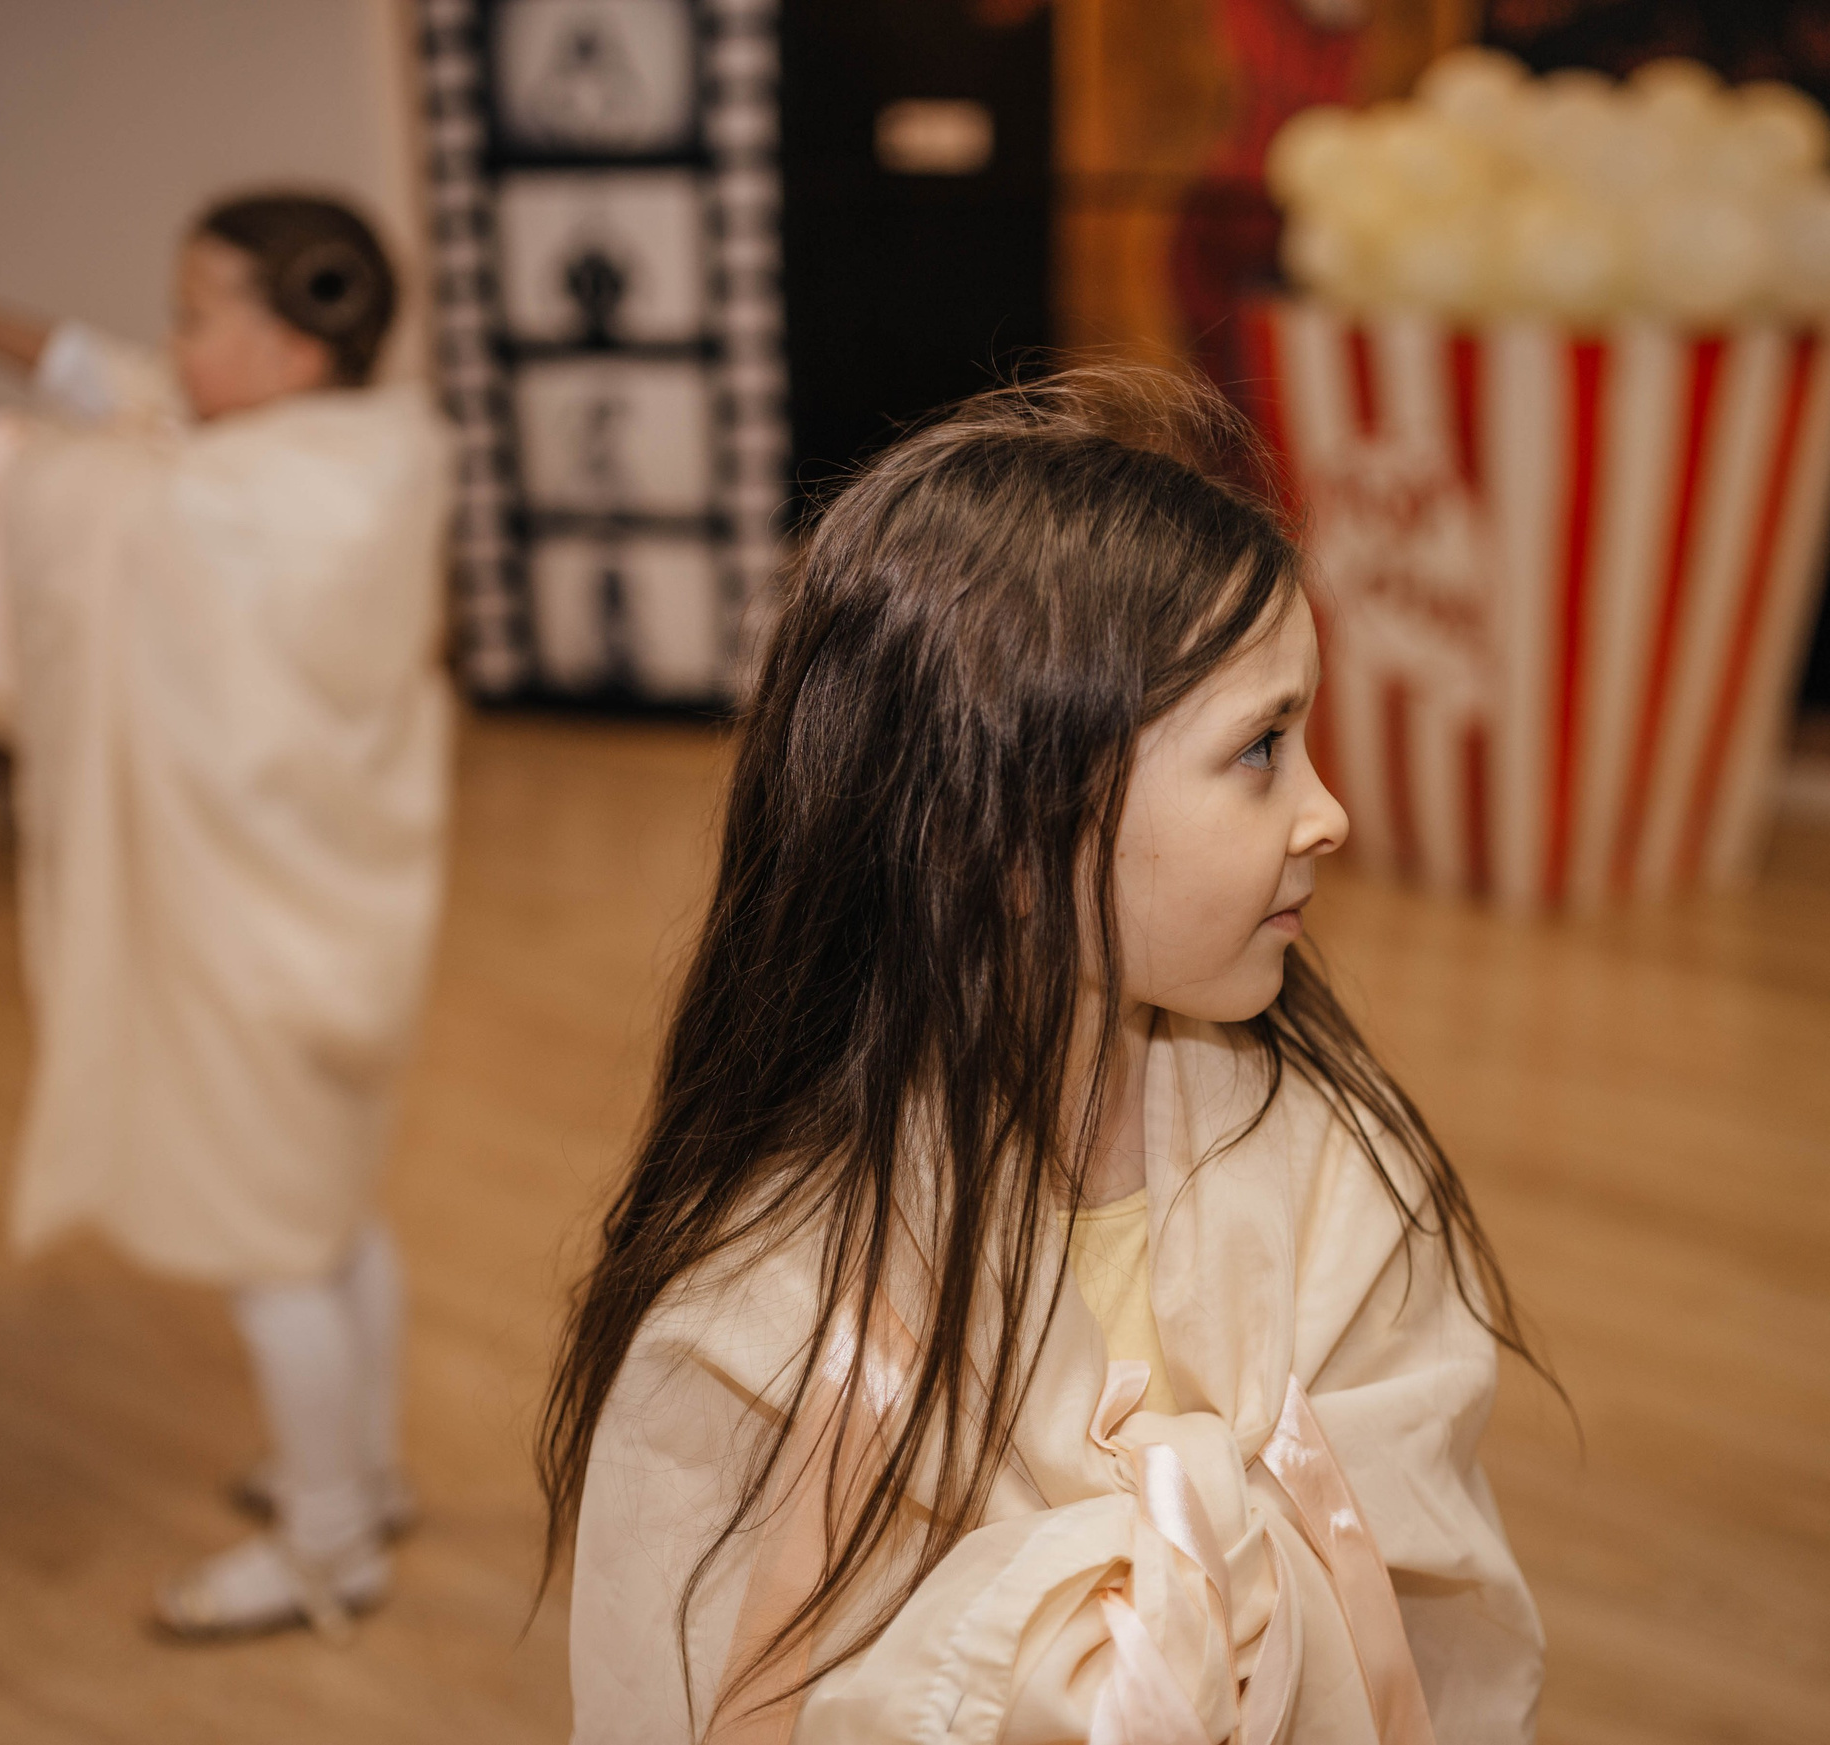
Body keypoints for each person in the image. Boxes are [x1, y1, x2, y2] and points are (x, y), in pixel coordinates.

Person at [543, 368, 1546, 1743]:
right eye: (1262, 749)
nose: (1330, 812)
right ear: (1006, 839)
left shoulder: (1331, 1170)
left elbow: (1422, 1576)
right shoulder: (775, 1320)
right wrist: (1188, 1564)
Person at [0, 193, 453, 1641]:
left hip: (241, 934)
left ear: (286, 348)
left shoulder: (210, 503)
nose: (169, 340)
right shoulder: (379, 445)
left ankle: (326, 1545)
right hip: (341, 915)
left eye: (196, 312)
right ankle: (365, 1468)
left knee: (269, 1239)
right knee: (334, 1205)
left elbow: (5, 476)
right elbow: (127, 395)